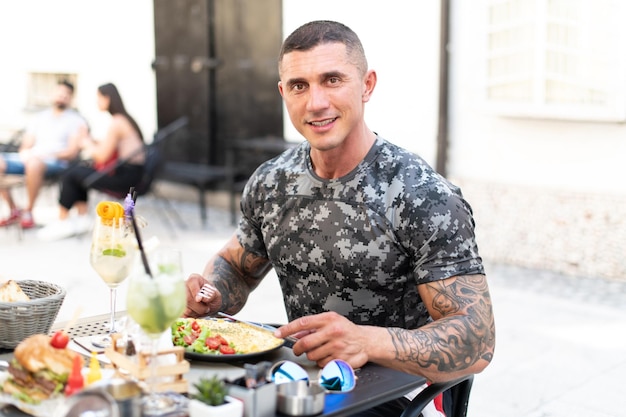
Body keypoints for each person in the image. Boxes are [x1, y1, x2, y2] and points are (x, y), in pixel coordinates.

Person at [183, 20, 496, 416]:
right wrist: (208, 295)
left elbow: (476, 338)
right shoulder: (272, 181)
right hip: (302, 384)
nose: (315, 102)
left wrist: (367, 342)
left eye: (332, 80)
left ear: (367, 85)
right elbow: (237, 267)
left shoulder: (421, 194)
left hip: (395, 395)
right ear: (283, 93)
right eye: (299, 85)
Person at [37, 83, 145, 241]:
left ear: (107, 99)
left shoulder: (117, 122)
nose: (96, 103)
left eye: (98, 98)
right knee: (77, 171)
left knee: (72, 173)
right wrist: (90, 140)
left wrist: (85, 142)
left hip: (126, 179)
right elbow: (107, 147)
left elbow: (101, 156)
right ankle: (80, 219)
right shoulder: (123, 119)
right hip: (131, 174)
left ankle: (63, 220)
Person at [0, 80, 86, 229]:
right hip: (31, 157)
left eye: (66, 94)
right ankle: (14, 209)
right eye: (60, 93)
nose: (62, 97)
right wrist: (25, 153)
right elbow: (26, 144)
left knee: (34, 164)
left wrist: (44, 156)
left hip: (55, 161)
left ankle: (28, 211)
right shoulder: (39, 117)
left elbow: (71, 152)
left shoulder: (75, 120)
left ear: (71, 98)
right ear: (53, 94)